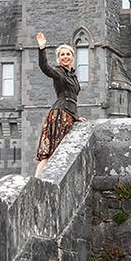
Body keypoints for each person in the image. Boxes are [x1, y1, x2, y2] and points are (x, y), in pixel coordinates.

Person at [34, 32, 85, 177]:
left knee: (59, 151)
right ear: (59, 58)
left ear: (72, 57)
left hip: (69, 115)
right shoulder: (58, 73)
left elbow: (73, 99)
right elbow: (45, 68)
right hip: (59, 114)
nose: (65, 56)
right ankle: (37, 180)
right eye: (62, 54)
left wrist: (76, 117)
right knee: (51, 151)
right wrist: (42, 48)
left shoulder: (73, 76)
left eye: (68, 54)